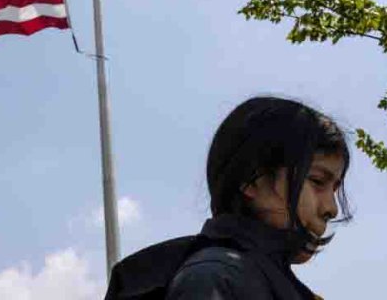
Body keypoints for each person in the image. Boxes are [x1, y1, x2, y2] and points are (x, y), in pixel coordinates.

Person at [105, 97, 352, 300]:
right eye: (318, 181)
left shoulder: (251, 280)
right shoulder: (217, 278)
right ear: (252, 179)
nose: (331, 208)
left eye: (334, 188)